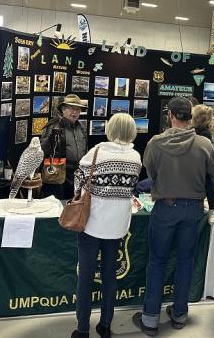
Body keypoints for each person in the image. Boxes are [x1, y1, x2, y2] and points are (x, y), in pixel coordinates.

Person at [133, 97, 214, 336]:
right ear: (189, 117)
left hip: (165, 207)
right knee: (186, 260)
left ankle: (150, 318)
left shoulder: (156, 143)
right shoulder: (203, 144)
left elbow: (150, 172)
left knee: (157, 261)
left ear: (170, 115)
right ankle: (180, 312)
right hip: (193, 209)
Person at [71, 114, 142, 338]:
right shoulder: (135, 157)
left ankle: (83, 329)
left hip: (91, 223)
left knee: (86, 277)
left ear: (110, 129)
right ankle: (105, 325)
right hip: (118, 225)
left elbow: (78, 180)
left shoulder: (97, 152)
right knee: (110, 277)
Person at [40, 94, 88, 199]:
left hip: (77, 176)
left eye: (78, 109)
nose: (74, 112)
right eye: (71, 108)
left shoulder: (81, 128)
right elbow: (42, 150)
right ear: (63, 109)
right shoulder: (53, 125)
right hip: (57, 177)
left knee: (74, 207)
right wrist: (52, 137)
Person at [191, 104, 214, 224]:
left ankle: (213, 209)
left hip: (202, 164)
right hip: (195, 162)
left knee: (208, 184)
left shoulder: (205, 133)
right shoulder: (194, 130)